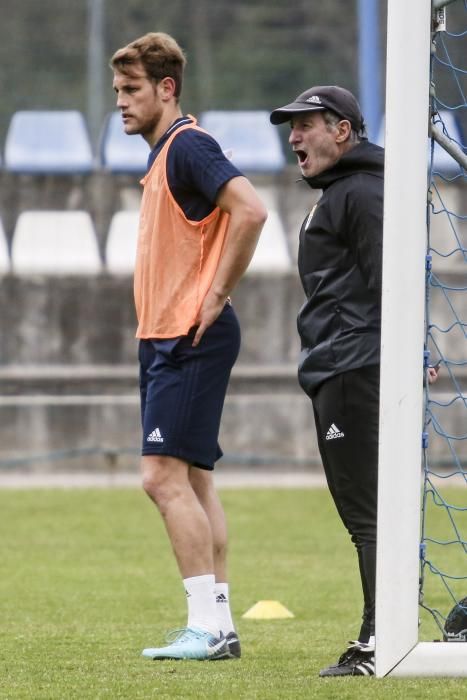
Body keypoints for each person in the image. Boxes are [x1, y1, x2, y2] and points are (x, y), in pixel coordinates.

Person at [110, 32, 267, 661]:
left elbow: (251, 210)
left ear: (166, 89)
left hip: (189, 336)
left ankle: (205, 625)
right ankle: (220, 625)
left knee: (160, 477)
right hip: (165, 337)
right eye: (118, 91)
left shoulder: (188, 146)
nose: (120, 102)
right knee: (195, 483)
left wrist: (216, 294)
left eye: (131, 90)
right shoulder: (162, 156)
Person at [270, 86, 384, 677]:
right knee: (369, 510)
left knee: (366, 511)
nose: (293, 137)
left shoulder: (361, 191)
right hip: (343, 364)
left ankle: (377, 641)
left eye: (305, 125)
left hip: (353, 367)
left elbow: (384, 275)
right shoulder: (342, 191)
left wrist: (408, 349)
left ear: (342, 131)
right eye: (290, 127)